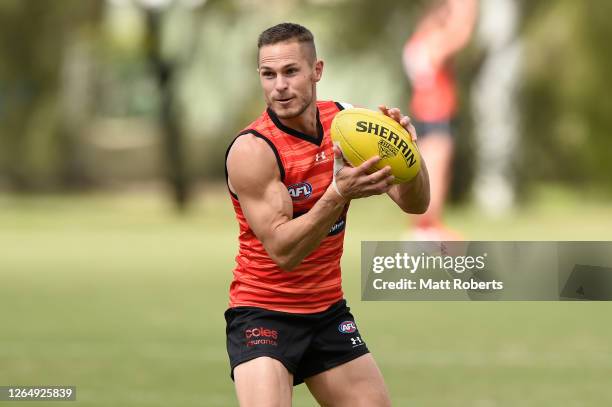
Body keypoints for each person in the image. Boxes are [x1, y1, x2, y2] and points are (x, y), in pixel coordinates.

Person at [224, 22, 430, 407]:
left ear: (316, 70)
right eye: (268, 74)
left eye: (290, 71)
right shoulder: (253, 150)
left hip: (326, 311)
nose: (279, 86)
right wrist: (337, 194)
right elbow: (284, 252)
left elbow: (414, 203)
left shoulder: (347, 124)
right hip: (264, 313)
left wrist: (408, 156)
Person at [402, 0, 478, 240]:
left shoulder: (416, 42)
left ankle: (423, 228)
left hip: (423, 112)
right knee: (436, 174)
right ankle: (428, 229)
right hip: (436, 114)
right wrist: (468, 6)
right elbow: (461, 35)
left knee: (425, 173)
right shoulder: (432, 43)